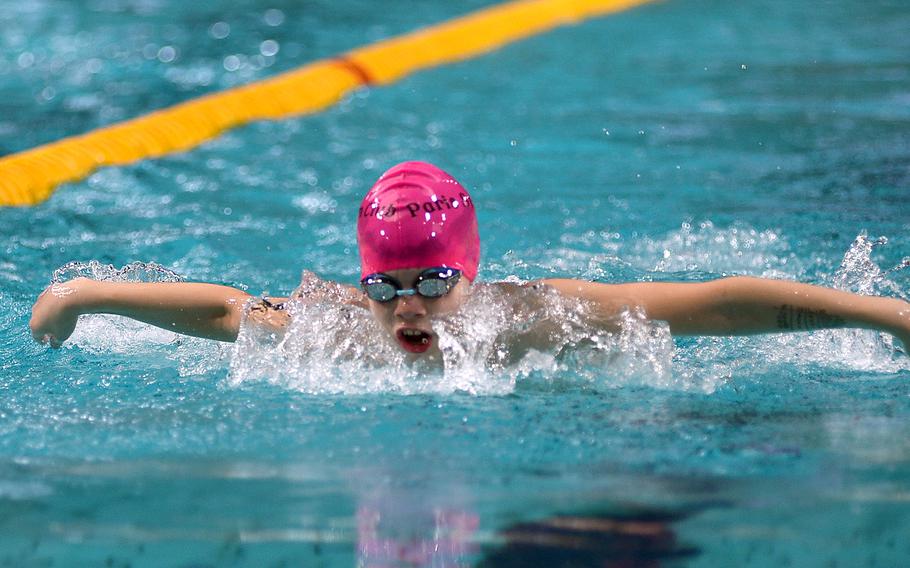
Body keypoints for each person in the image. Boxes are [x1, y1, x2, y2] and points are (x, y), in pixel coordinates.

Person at [29, 161, 910, 362]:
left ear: (471, 275)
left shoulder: (534, 316)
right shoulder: (338, 330)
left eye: (433, 283)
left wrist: (890, 317)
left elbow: (714, 302)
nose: (408, 309)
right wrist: (84, 295)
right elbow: (224, 310)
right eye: (387, 288)